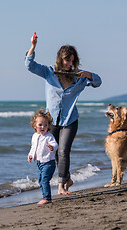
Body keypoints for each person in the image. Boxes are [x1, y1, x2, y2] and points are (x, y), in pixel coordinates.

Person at [25, 33, 102, 195]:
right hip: (51, 121)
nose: (70, 64)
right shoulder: (49, 73)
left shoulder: (79, 78)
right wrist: (33, 46)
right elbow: (29, 65)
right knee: (54, 152)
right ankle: (67, 178)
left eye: (73, 61)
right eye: (67, 60)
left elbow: (98, 82)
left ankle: (61, 186)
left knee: (63, 151)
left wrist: (88, 74)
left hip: (70, 120)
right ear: (61, 59)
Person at [28, 109, 58, 205]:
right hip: (39, 163)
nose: (43, 127)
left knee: (45, 180)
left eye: (45, 125)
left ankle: (47, 198)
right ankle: (44, 196)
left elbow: (55, 145)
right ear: (34, 126)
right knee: (40, 181)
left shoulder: (49, 137)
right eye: (40, 125)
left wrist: (52, 147)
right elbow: (33, 147)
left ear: (48, 126)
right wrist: (30, 155)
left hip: (49, 162)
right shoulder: (34, 136)